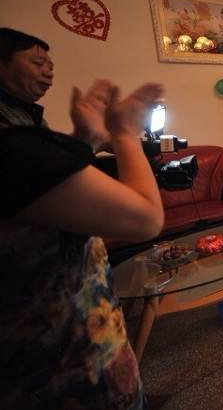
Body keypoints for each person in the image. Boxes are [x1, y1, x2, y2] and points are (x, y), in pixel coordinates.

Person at [0, 58, 164, 410]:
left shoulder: (24, 135)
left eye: (49, 61)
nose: (49, 69)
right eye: (35, 60)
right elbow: (147, 219)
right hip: (55, 360)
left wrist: (86, 140)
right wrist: (125, 133)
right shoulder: (12, 146)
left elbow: (47, 190)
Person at [0, 28, 111, 151]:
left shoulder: (29, 113)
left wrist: (93, 137)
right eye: (38, 63)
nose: (49, 74)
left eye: (50, 68)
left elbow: (48, 155)